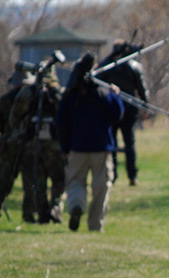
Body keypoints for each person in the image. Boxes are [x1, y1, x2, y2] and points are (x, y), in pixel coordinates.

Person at [56, 52, 124, 232]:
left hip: (77, 147)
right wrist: (115, 95)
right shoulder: (102, 93)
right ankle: (95, 224)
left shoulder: (70, 95)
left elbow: (61, 122)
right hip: (101, 147)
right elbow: (117, 115)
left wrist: (65, 146)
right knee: (101, 186)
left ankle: (76, 206)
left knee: (76, 181)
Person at [9, 69, 65, 224]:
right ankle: (55, 206)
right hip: (55, 144)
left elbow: (14, 118)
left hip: (31, 143)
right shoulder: (58, 92)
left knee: (36, 180)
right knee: (59, 179)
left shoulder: (27, 93)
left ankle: (42, 214)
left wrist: (21, 131)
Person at [98, 39, 151, 186]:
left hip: (123, 109)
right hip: (115, 109)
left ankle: (127, 175)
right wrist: (145, 104)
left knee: (123, 142)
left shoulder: (128, 66)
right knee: (120, 142)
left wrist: (145, 105)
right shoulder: (111, 66)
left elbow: (141, 88)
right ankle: (119, 175)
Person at [0, 69, 35, 220]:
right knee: (30, 183)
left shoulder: (5, 99)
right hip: (27, 146)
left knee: (2, 183)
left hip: (9, 146)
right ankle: (28, 215)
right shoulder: (34, 98)